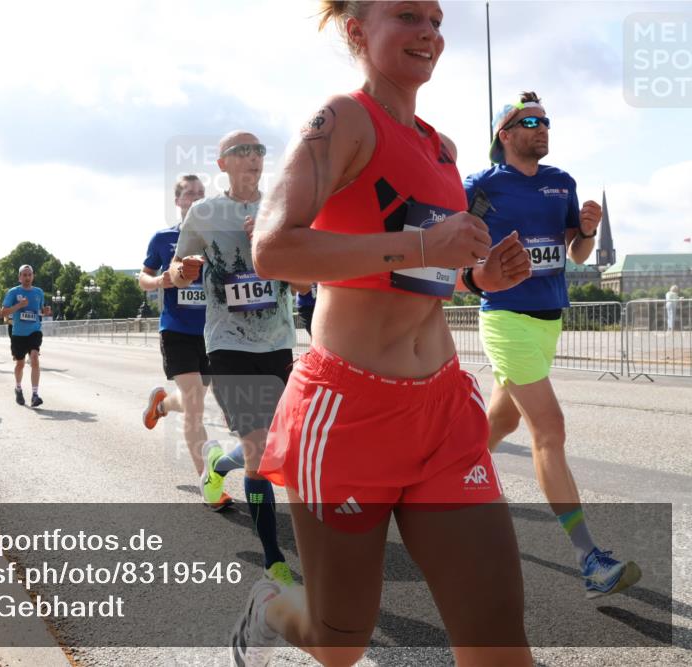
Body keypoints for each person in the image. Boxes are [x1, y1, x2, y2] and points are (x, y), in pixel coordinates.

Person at [238, 3, 537, 666]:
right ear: (356, 30)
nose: (430, 31)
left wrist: (480, 277)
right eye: (407, 14)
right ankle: (270, 604)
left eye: (436, 17)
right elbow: (274, 250)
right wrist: (425, 239)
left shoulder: (442, 149)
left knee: (499, 641)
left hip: (442, 415)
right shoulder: (341, 120)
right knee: (339, 643)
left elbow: (416, 273)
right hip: (348, 415)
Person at [465, 90, 642, 600]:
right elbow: (456, 247)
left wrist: (586, 230)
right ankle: (590, 559)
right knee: (550, 428)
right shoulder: (480, 185)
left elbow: (579, 254)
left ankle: (441, 490)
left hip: (548, 321)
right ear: (505, 133)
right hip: (505, 319)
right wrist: (477, 279)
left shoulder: (560, 182)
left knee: (502, 422)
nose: (542, 128)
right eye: (530, 121)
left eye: (546, 122)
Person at [171, 130, 307, 587]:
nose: (252, 157)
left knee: (273, 444)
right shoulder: (204, 213)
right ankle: (274, 561)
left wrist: (270, 249)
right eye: (241, 151)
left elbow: (306, 285)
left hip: (278, 343)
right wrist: (183, 270)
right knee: (260, 449)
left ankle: (215, 466)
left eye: (259, 151)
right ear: (222, 162)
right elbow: (177, 269)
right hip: (227, 343)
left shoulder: (282, 210)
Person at [141, 175, 235, 506]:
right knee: (195, 400)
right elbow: (143, 278)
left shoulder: (216, 241)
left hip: (212, 332)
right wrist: (160, 281)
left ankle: (162, 404)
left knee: (191, 398)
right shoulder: (163, 238)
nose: (195, 198)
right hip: (177, 329)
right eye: (188, 194)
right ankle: (208, 483)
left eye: (200, 194)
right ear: (178, 201)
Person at [1, 265, 45, 407]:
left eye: (29, 275)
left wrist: (46, 311)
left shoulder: (39, 292)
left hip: (34, 331)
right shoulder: (13, 292)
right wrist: (19, 306)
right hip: (18, 333)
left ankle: (35, 394)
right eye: (24, 275)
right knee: (20, 364)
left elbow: (41, 311)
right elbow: (4, 312)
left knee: (34, 358)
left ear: (33, 276)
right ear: (19, 277)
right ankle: (18, 388)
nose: (27, 277)